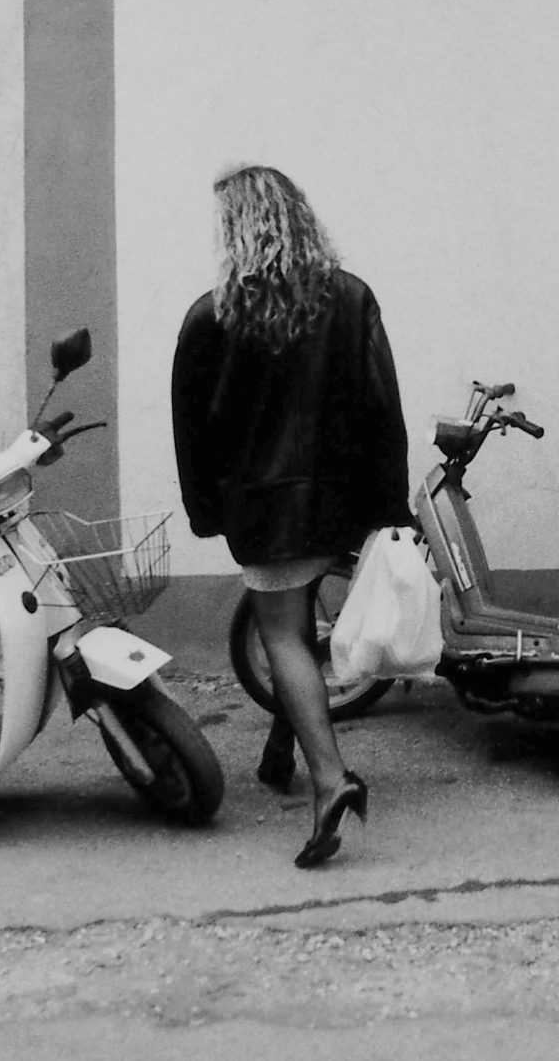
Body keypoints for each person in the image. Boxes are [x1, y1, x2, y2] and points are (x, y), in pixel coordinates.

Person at [171, 164, 411, 868]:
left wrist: (204, 510)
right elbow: (381, 408)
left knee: (281, 636)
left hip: (264, 506)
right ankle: (284, 751)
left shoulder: (212, 314)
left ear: (236, 228)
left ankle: (331, 779)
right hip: (337, 501)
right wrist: (389, 507)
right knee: (298, 618)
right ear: (299, 216)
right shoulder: (352, 298)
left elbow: (194, 429)